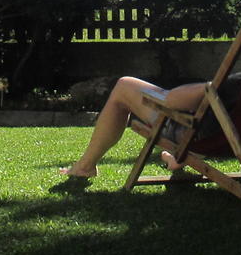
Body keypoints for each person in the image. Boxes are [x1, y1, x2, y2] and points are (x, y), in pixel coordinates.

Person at [59, 76, 208, 179]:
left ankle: (84, 167)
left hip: (191, 132)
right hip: (218, 137)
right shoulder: (232, 86)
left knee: (124, 86)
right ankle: (179, 158)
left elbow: (174, 100)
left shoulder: (230, 83)